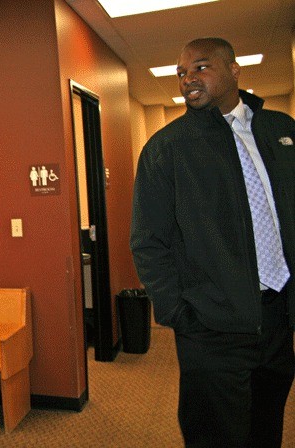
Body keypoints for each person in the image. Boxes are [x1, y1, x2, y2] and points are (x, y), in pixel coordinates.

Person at [130, 37, 295, 447]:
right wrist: (180, 315)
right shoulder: (167, 149)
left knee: (266, 427)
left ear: (234, 69)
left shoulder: (282, 131)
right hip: (211, 328)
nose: (188, 78)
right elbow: (149, 242)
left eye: (200, 67)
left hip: (277, 318)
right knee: (214, 436)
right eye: (182, 72)